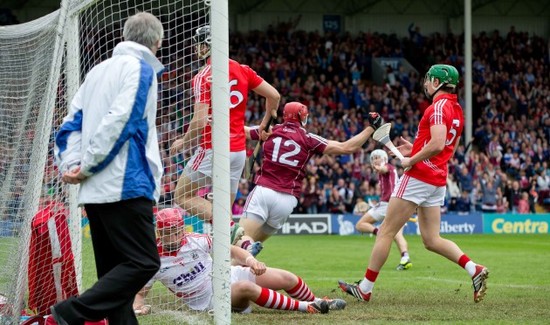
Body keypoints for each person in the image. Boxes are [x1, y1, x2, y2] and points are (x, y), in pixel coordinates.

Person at [338, 64, 489, 303]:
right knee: (431, 239)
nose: (426, 83)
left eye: (429, 79)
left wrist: (412, 158)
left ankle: (365, 288)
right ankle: (474, 269)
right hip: (437, 177)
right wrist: (418, 148)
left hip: (419, 177)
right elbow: (449, 148)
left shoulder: (437, 107)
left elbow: (438, 144)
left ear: (438, 83)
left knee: (386, 231)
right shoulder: (457, 109)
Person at [51, 12, 164, 324]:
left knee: (116, 285)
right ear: (157, 42)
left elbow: (69, 125)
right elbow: (122, 119)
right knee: (144, 262)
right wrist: (86, 166)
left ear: (126, 36)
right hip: (125, 183)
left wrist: (72, 165)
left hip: (94, 190)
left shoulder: (97, 72)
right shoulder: (142, 69)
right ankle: (69, 312)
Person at [169, 25, 280, 245]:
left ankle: (230, 227)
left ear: (206, 46)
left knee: (182, 195)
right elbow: (274, 96)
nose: (196, 48)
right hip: (238, 152)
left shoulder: (203, 76)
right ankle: (242, 247)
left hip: (213, 149)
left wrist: (183, 142)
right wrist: (264, 124)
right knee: (222, 211)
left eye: (198, 44)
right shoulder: (243, 69)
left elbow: (200, 121)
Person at [132, 208, 346, 315]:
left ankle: (319, 300)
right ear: (159, 232)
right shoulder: (153, 259)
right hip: (210, 300)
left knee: (287, 278)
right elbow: (140, 293)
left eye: (178, 229)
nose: (176, 234)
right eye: (170, 231)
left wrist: (251, 260)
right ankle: (308, 307)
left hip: (227, 275)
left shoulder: (195, 240)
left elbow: (231, 249)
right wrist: (138, 307)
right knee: (246, 288)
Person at [238, 102, 383, 253]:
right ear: (302, 117)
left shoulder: (271, 130)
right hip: (287, 201)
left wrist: (214, 117)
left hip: (264, 191)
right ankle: (244, 263)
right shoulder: (308, 138)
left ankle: (243, 253)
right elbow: (346, 148)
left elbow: (245, 132)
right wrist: (371, 128)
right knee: (248, 247)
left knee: (240, 240)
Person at [354, 149, 412, 271]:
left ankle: (378, 232)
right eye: (374, 158)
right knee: (397, 234)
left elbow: (383, 169)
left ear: (384, 159)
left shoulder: (387, 167)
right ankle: (405, 258)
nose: (375, 160)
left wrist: (379, 168)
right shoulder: (389, 169)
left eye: (378, 158)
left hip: (387, 204)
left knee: (360, 225)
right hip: (398, 204)